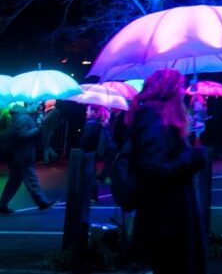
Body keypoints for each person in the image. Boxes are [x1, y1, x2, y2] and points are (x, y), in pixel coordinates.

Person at [129, 69, 208, 274]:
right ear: (169, 92)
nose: (183, 92)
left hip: (171, 213)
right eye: (179, 88)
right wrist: (192, 156)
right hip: (166, 217)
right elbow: (157, 169)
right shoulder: (153, 121)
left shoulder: (161, 120)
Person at [0, 102, 54, 213]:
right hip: (23, 155)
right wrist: (38, 129)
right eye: (34, 105)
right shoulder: (24, 118)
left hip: (17, 155)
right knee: (31, 180)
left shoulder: (17, 118)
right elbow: (22, 135)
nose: (37, 107)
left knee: (13, 183)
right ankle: (42, 202)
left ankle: (2, 206)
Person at [78, 105, 112, 202]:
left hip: (88, 152)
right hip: (94, 152)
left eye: (88, 110)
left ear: (94, 112)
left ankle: (90, 196)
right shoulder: (100, 124)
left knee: (88, 175)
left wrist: (80, 150)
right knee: (91, 174)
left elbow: (84, 141)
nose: (86, 112)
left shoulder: (91, 125)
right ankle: (92, 196)